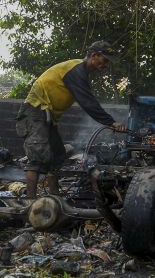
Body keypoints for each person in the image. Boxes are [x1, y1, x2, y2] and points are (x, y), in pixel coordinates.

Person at [15, 40, 128, 198]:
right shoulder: (76, 70)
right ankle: (30, 205)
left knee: (58, 155)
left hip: (46, 116)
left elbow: (88, 100)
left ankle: (55, 198)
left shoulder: (80, 72)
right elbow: (88, 102)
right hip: (35, 111)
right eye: (105, 59)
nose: (107, 64)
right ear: (94, 56)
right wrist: (112, 122)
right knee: (38, 158)